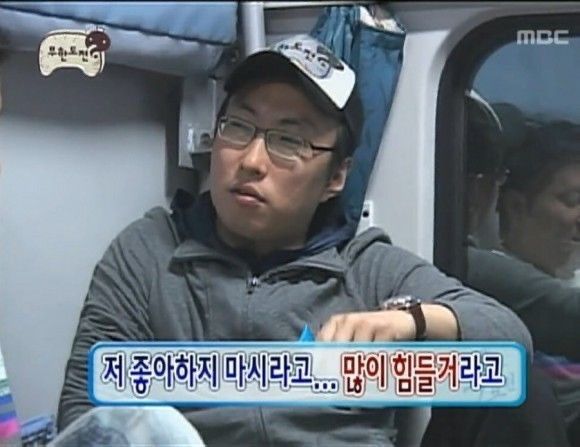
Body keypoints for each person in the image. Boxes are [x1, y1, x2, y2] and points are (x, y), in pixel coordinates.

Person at [57, 34, 532, 446]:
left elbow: (509, 336)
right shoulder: (149, 253)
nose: (251, 161)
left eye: (288, 141)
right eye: (238, 127)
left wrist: (411, 322)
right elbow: (85, 416)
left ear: (335, 177)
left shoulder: (367, 268)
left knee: (525, 394)